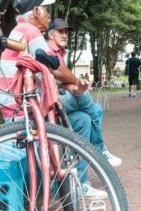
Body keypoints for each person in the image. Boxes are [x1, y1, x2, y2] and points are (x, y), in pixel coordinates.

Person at [0, 0, 106, 199]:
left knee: (82, 120)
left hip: (20, 108)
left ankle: (81, 181)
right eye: (46, 10)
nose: (48, 15)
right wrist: (75, 81)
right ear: (36, 12)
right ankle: (101, 150)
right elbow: (55, 70)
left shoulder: (17, 32)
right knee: (88, 105)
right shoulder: (30, 31)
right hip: (26, 112)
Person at [47, 18, 122, 167]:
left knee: (87, 117)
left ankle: (82, 182)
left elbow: (61, 81)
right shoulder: (49, 51)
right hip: (49, 104)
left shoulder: (60, 53)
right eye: (60, 32)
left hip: (58, 99)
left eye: (66, 32)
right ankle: (99, 149)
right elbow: (59, 76)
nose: (64, 35)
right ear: (50, 35)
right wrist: (77, 86)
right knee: (87, 98)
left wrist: (77, 87)